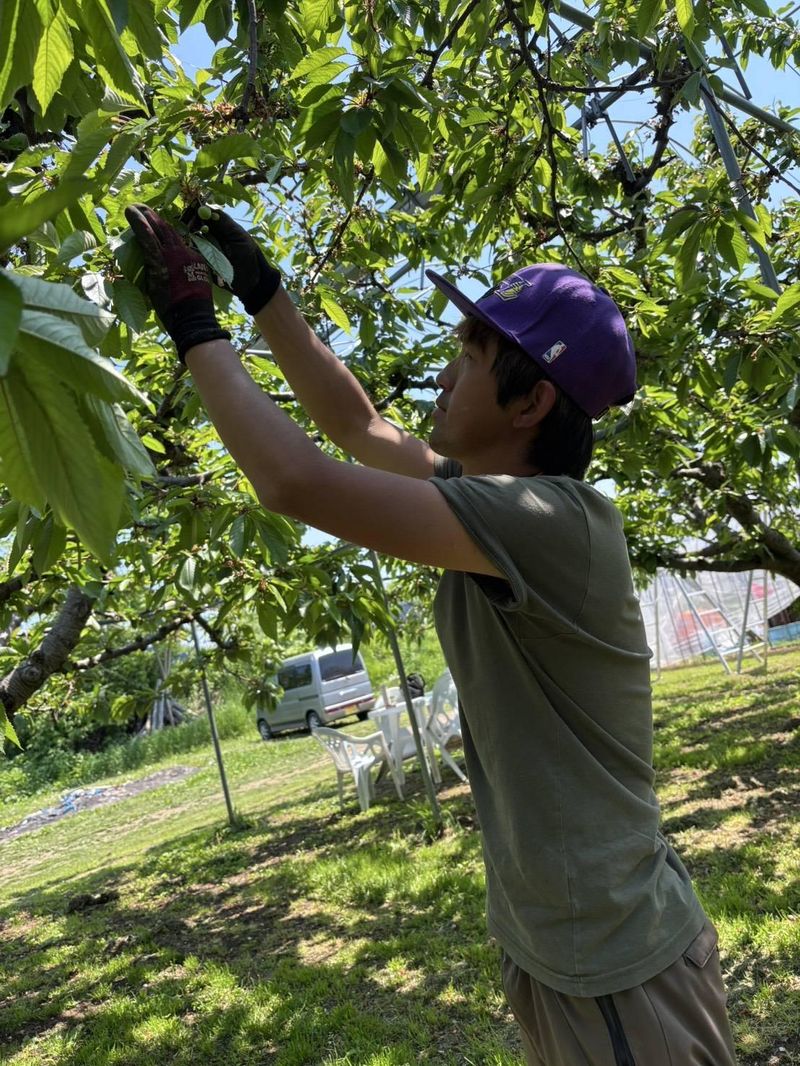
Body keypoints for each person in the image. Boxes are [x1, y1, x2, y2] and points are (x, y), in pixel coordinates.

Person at [125, 202, 738, 1066]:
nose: (444, 378)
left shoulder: (548, 520)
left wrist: (196, 323)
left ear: (534, 402)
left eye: (470, 357)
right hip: (560, 936)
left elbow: (295, 479)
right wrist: (266, 296)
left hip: (613, 956)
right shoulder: (503, 504)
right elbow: (359, 428)